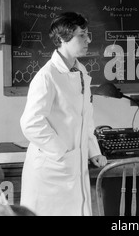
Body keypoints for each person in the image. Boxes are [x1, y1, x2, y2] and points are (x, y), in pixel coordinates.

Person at [20, 12, 107, 216]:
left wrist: (93, 151)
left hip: (72, 165)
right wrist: (62, 152)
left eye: (88, 34)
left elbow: (86, 117)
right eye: (82, 36)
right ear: (61, 39)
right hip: (52, 168)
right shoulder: (47, 76)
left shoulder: (81, 71)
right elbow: (31, 124)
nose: (88, 40)